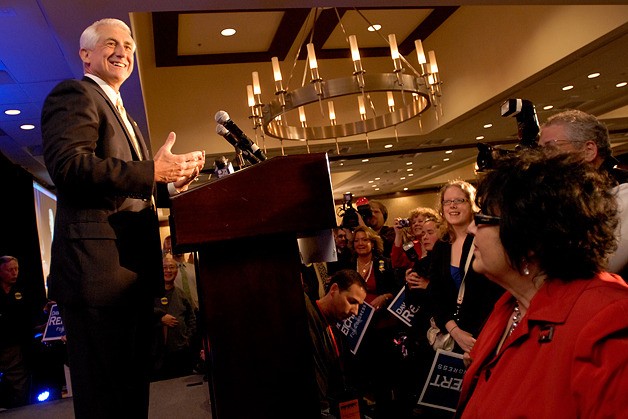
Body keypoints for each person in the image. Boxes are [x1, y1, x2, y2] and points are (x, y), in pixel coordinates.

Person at [40, 18, 205, 418]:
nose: (123, 52)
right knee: (106, 397)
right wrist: (151, 171)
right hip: (97, 274)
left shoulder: (127, 117)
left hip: (130, 273)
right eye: (111, 44)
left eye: (129, 46)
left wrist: (170, 183)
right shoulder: (76, 94)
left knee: (130, 393)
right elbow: (70, 167)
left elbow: (129, 188)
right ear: (86, 55)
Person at [457, 149, 628, 418]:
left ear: (530, 238)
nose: (470, 229)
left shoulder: (607, 319)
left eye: (483, 219)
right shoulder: (508, 305)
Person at [538, 109, 628, 278]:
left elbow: (596, 267)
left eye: (550, 148)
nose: (542, 158)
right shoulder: (570, 197)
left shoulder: (623, 192)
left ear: (589, 150)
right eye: (540, 150)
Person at [427, 180, 503, 354]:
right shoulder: (441, 245)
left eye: (459, 201)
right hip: (452, 333)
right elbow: (435, 293)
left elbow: (495, 292)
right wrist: (454, 330)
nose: (452, 206)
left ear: (472, 204)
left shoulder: (483, 239)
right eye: (447, 201)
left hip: (485, 333)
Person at [304, 269, 367, 414]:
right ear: (334, 289)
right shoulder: (308, 314)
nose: (355, 312)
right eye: (352, 302)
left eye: (359, 305)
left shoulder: (338, 335)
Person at [153, 255, 196, 380]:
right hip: (156, 354)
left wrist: (186, 338)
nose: (168, 271)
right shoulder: (151, 295)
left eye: (171, 267)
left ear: (176, 272)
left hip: (179, 352)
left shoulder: (181, 295)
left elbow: (191, 318)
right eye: (164, 268)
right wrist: (159, 319)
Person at [0, 256, 32, 408]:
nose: (15, 273)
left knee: (19, 383)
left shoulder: (22, 290)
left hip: (15, 345)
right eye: (10, 270)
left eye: (16, 269)